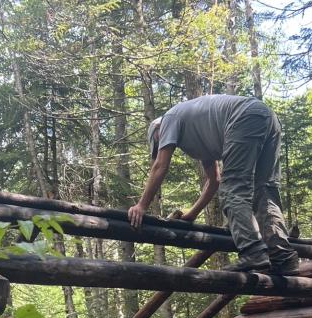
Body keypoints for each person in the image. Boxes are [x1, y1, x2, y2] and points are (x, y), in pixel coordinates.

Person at [128, 94, 299, 275]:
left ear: (157, 131)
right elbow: (213, 181)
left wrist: (141, 206)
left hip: (244, 116)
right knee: (264, 189)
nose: (162, 145)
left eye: (158, 142)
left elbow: (160, 166)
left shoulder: (169, 119)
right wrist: (192, 214)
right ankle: (284, 257)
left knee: (233, 188)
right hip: (266, 117)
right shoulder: (199, 137)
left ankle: (253, 250)